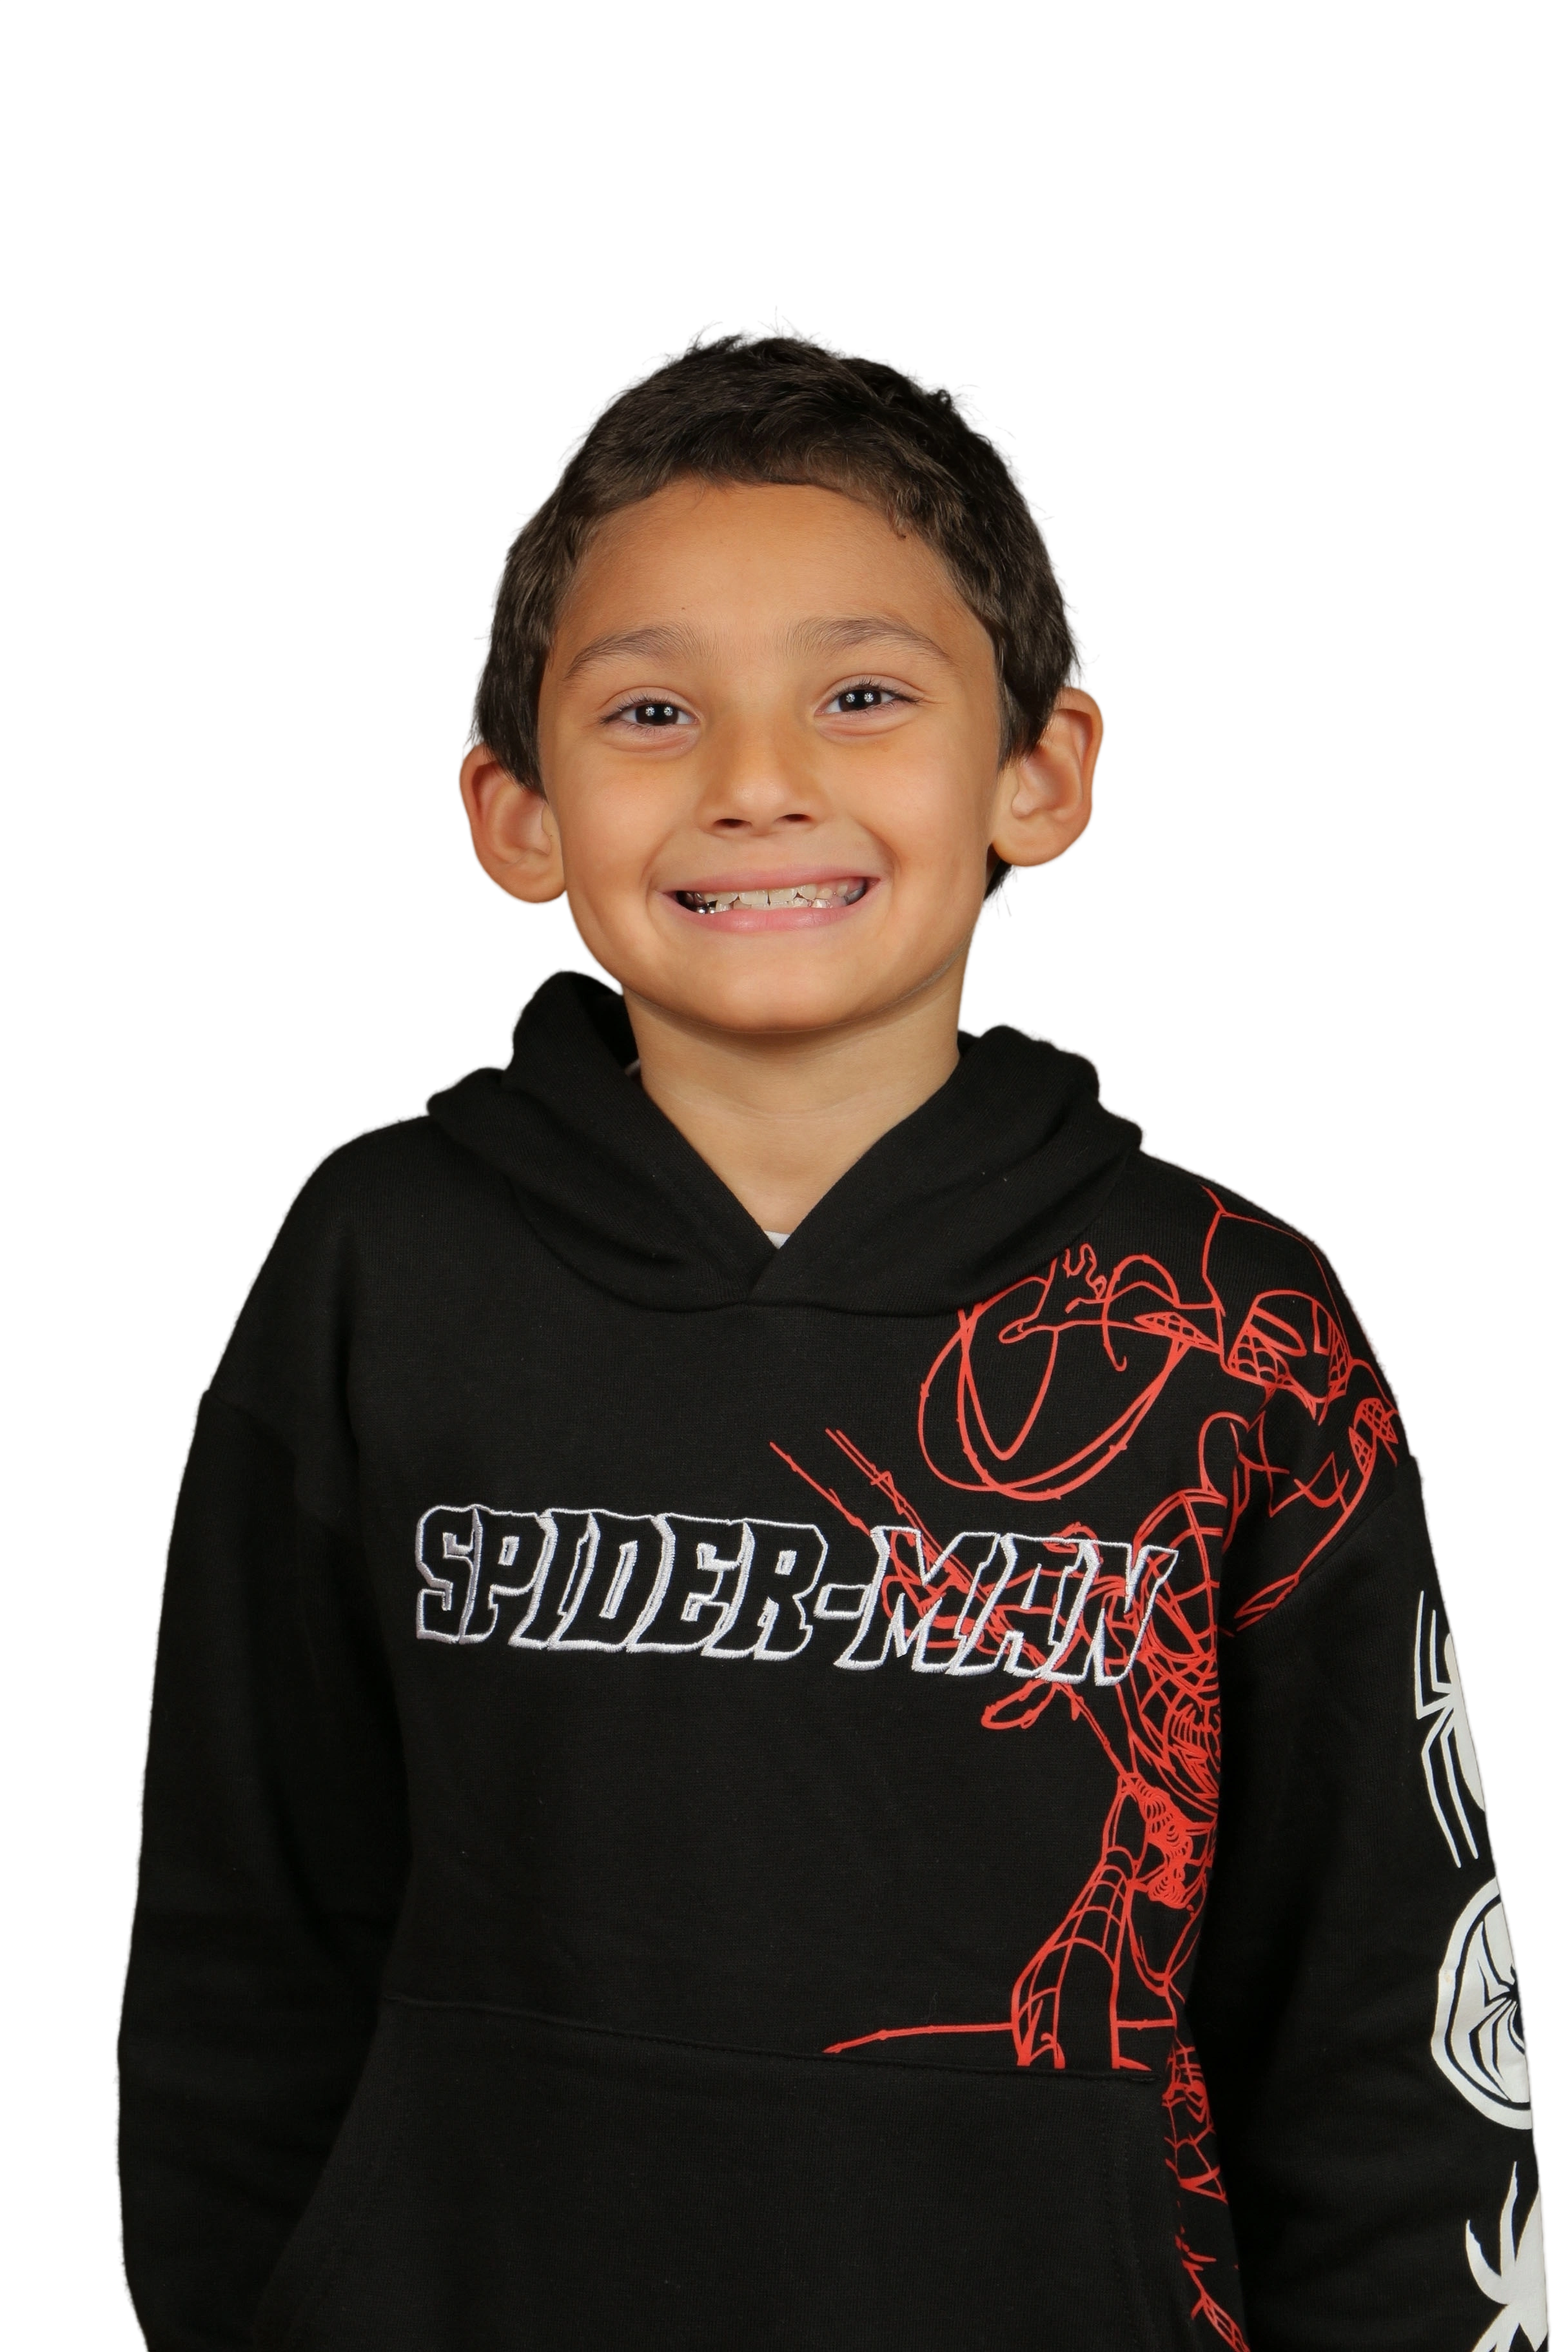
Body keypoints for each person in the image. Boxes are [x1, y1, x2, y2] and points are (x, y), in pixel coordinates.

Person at [113, 315, 1545, 2352]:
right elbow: (240, 1951)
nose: (758, 784)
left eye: (861, 695)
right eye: (651, 712)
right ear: (516, 813)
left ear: (1039, 771)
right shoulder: (379, 1268)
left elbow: (1382, 2008)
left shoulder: (1243, 1331)